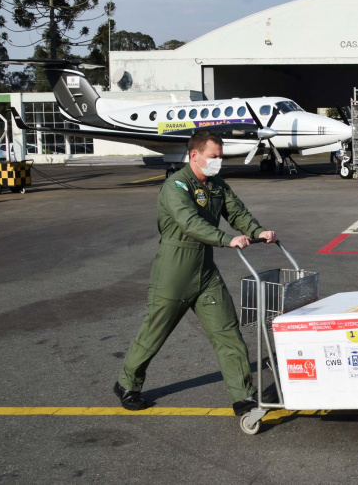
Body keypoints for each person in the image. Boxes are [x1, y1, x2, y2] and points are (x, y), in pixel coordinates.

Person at [114, 128, 277, 416]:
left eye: (220, 157)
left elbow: (236, 211)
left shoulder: (216, 185)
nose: (218, 162)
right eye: (213, 157)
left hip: (205, 271)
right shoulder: (176, 187)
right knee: (154, 332)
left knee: (227, 331)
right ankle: (127, 384)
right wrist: (227, 239)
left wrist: (257, 231)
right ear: (194, 155)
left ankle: (243, 396)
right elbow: (190, 223)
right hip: (174, 270)